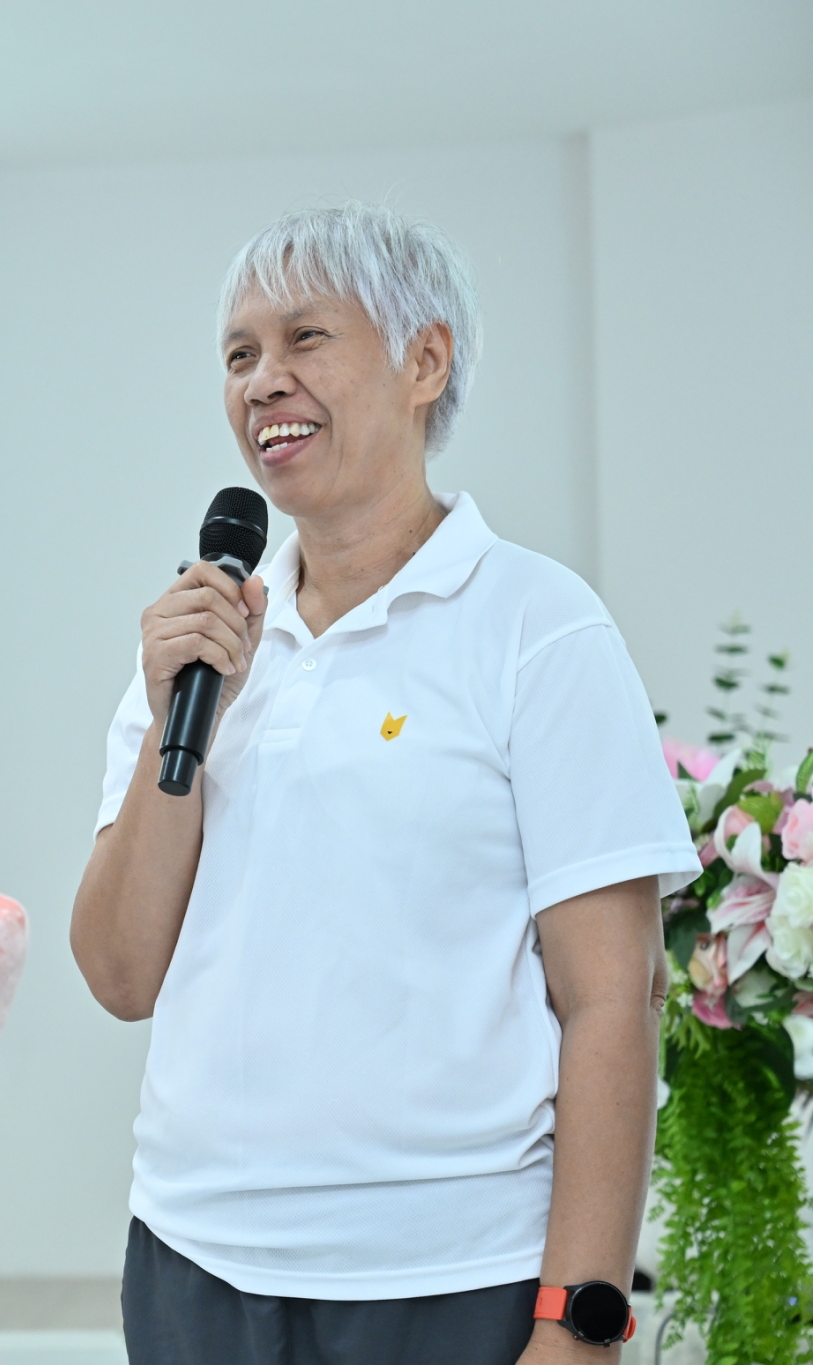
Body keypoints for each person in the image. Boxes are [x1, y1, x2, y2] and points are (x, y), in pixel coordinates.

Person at [70, 203, 700, 1365]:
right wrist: (173, 723)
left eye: (304, 337)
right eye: (237, 353)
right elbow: (117, 973)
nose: (261, 381)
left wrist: (581, 1323)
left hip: (448, 1277)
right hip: (190, 1264)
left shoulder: (538, 625)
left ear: (424, 362)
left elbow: (612, 1000)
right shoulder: (200, 645)